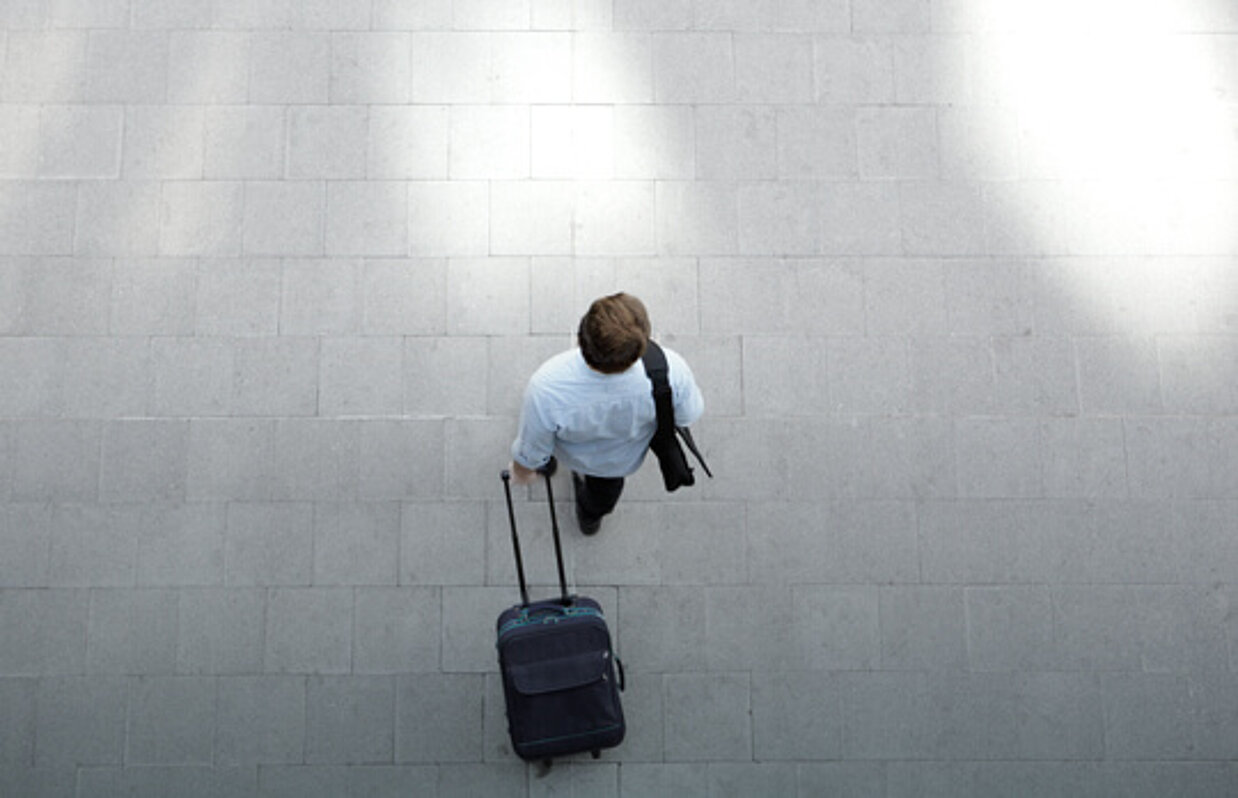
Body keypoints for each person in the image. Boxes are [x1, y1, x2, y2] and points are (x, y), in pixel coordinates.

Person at [508, 293, 705, 535]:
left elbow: (533, 448)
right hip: (615, 464)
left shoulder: (547, 386)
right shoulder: (672, 370)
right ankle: (589, 520)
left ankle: (553, 469)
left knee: (548, 455)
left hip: (570, 450)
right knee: (601, 498)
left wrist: (523, 471)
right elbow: (686, 416)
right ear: (643, 341)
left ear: (581, 337)